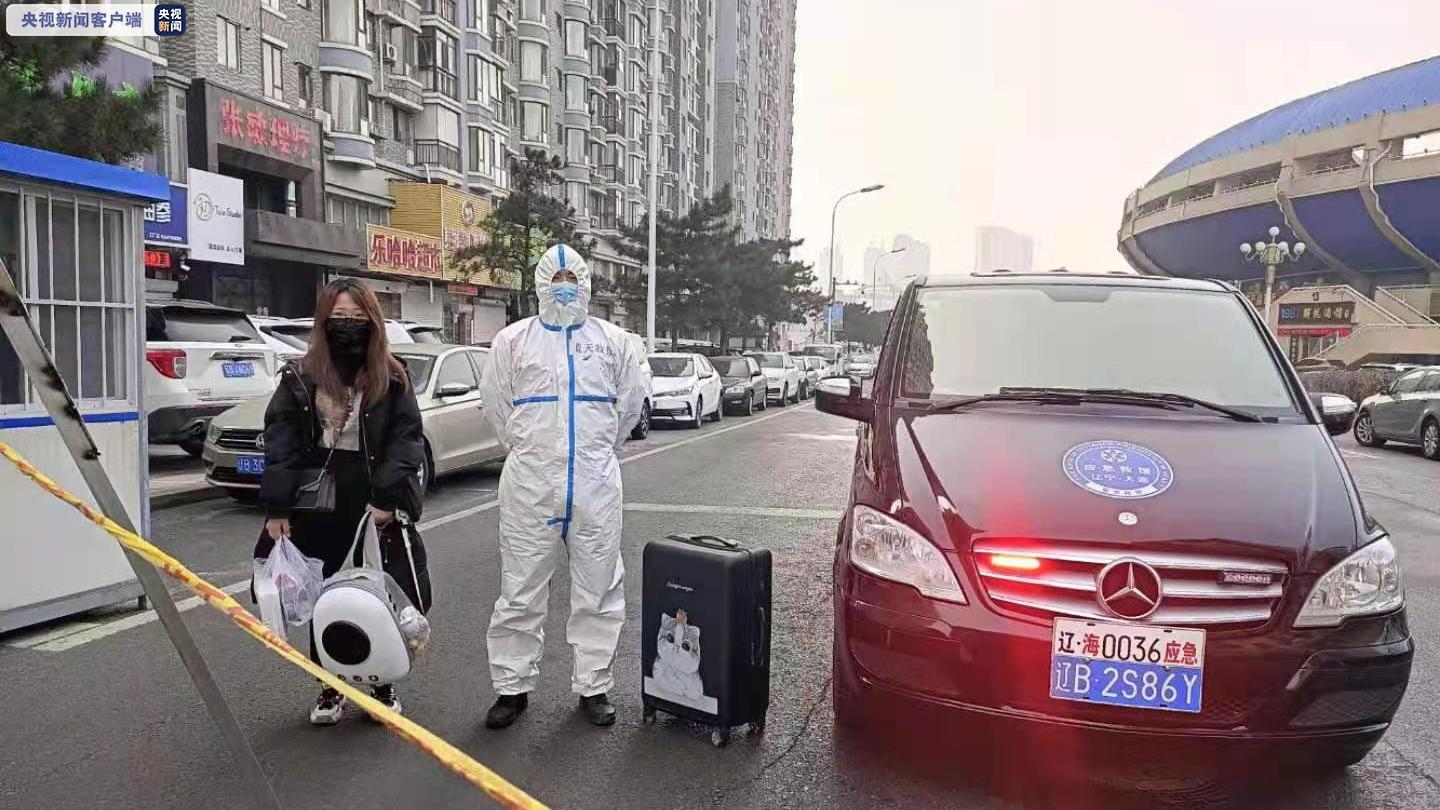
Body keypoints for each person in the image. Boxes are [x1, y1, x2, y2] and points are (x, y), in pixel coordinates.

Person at [479, 244, 647, 729]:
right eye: (557, 281)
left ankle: (594, 686)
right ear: (541, 285)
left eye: (572, 279)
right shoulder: (513, 341)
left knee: (599, 589)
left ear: (586, 283)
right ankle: (511, 688)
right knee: (519, 590)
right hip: (529, 486)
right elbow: (497, 406)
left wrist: (597, 451)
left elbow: (629, 406)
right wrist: (531, 452)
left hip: (594, 484)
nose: (565, 289)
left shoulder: (613, 341)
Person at [256, 278, 426, 725]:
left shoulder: (392, 375)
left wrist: (386, 498)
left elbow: (406, 440)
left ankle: (382, 683)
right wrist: (278, 508)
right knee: (322, 597)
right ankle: (330, 684)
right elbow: (281, 441)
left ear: (373, 321)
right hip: (318, 500)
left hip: (371, 498)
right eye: (339, 318)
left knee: (375, 594)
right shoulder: (301, 375)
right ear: (323, 322)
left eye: (357, 317)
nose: (348, 325)